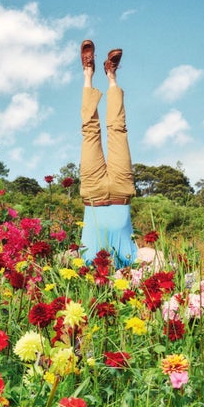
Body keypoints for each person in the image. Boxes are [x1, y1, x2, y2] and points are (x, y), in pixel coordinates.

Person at [78, 40, 138, 268]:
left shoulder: (88, 262)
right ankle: (111, 76)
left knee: (90, 132)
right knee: (119, 131)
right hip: (121, 190)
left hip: (93, 193)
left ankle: (88, 72)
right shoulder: (130, 262)